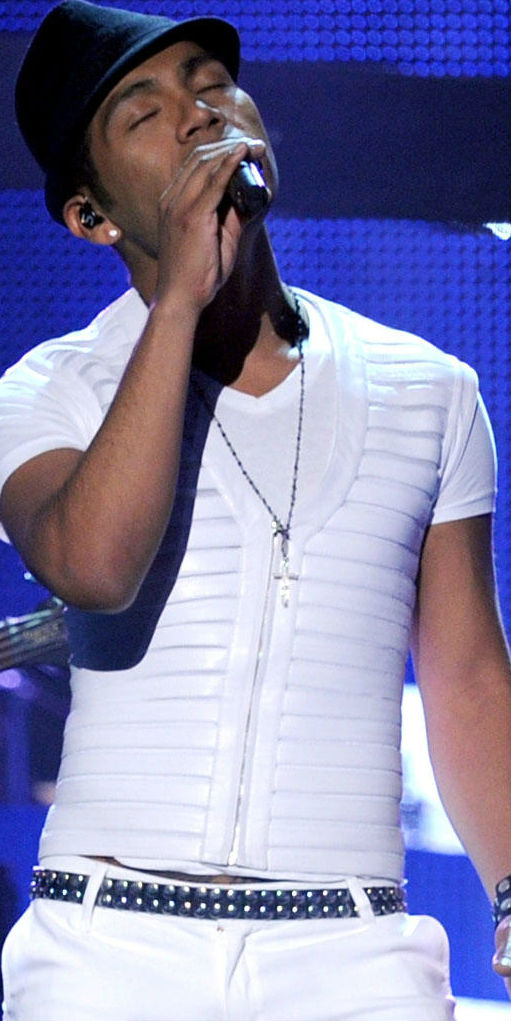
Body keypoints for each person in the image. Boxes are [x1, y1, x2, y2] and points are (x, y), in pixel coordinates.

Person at [0, 2, 509, 1019]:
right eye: (144, 112)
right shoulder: (49, 389)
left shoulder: (429, 388)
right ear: (92, 216)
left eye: (210, 83)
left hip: (354, 951)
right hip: (106, 947)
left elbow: (465, 678)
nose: (197, 114)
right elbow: (92, 566)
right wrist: (181, 299)